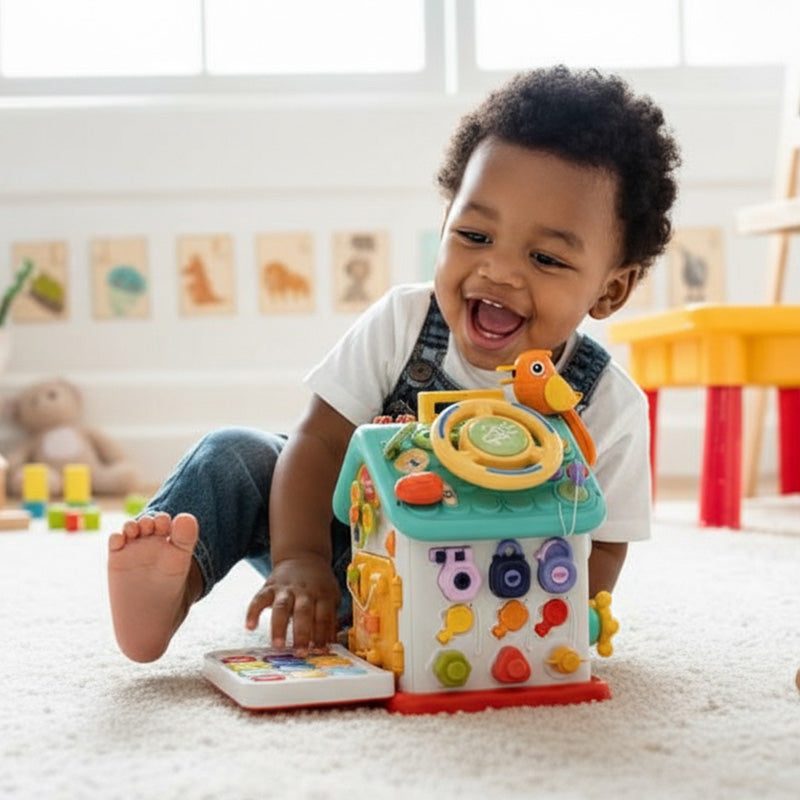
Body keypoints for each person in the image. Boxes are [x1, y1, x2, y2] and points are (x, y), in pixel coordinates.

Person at [108, 65, 680, 663]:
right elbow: (319, 443)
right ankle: (168, 593)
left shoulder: (608, 406)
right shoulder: (405, 323)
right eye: (475, 236)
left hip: (482, 602)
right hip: (346, 572)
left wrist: (544, 626)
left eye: (544, 257)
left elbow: (606, 546)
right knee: (235, 453)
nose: (499, 271)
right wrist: (300, 560)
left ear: (610, 290)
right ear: (445, 225)